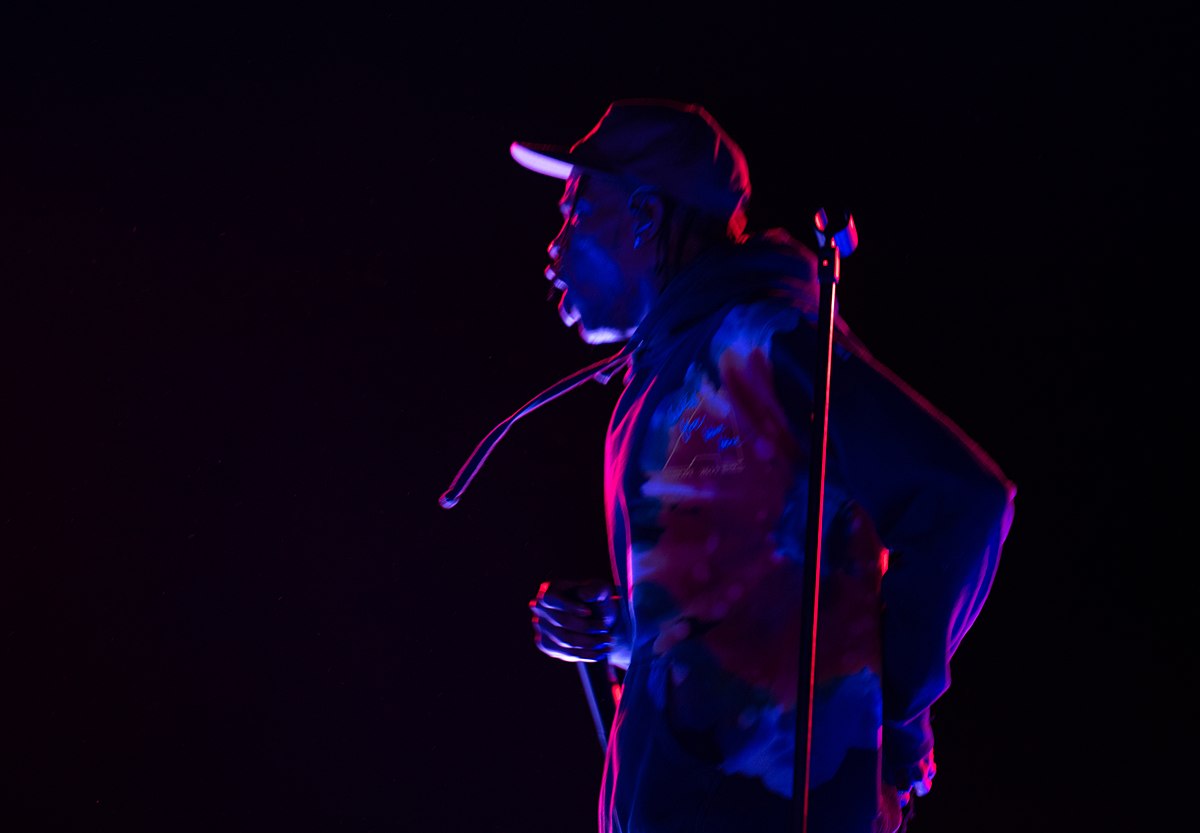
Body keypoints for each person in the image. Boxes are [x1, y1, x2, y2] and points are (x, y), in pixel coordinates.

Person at [440, 99, 1016, 833]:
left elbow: (963, 498)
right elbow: (756, 592)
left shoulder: (760, 341)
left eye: (576, 211)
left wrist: (883, 706)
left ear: (645, 214)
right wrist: (633, 629)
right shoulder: (676, 368)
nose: (555, 246)